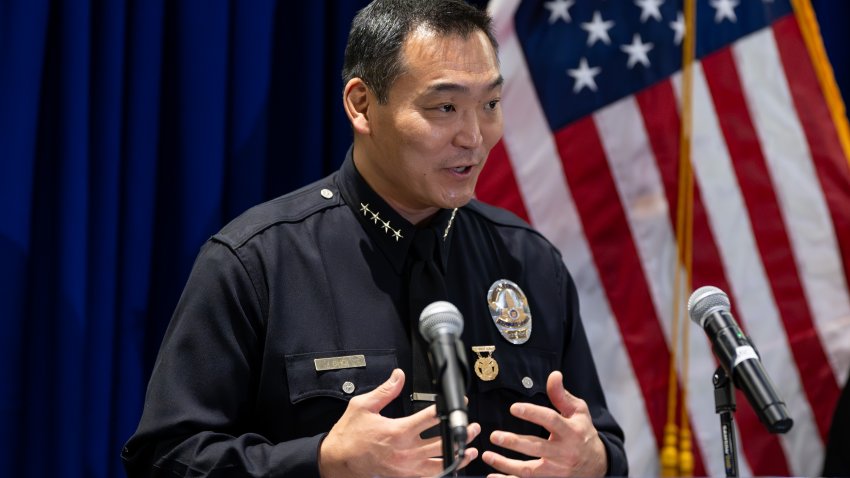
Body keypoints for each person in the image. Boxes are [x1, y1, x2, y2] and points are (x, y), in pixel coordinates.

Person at [122, 0, 628, 476]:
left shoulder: (529, 261)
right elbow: (163, 457)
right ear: (362, 105)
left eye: (491, 103)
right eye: (445, 108)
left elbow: (598, 439)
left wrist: (595, 461)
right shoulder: (258, 262)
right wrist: (320, 462)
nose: (474, 136)